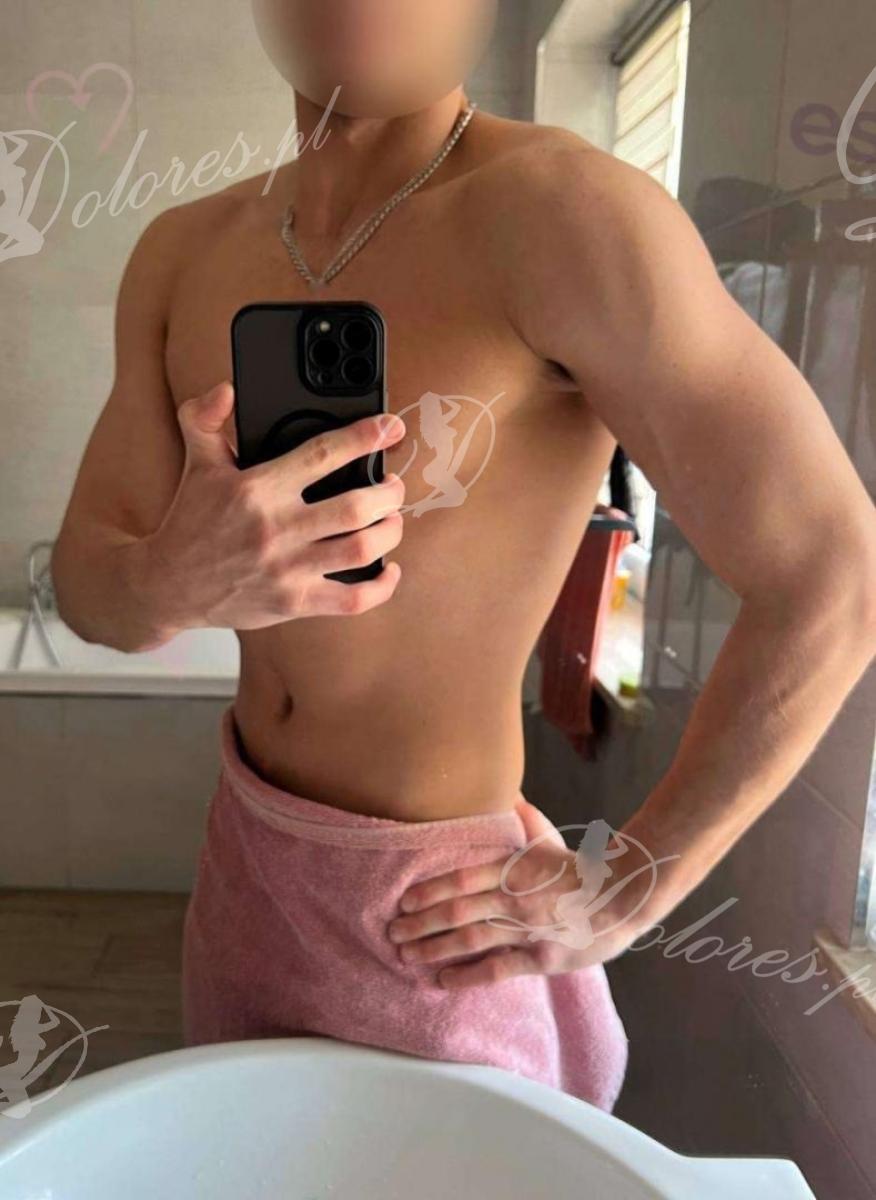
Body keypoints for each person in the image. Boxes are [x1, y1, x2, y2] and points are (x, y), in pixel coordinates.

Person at [50, 0, 876, 1112]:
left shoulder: (566, 212)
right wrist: (169, 580)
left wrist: (630, 885)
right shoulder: (182, 253)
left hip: (441, 915)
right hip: (246, 858)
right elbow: (90, 589)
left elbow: (833, 571)